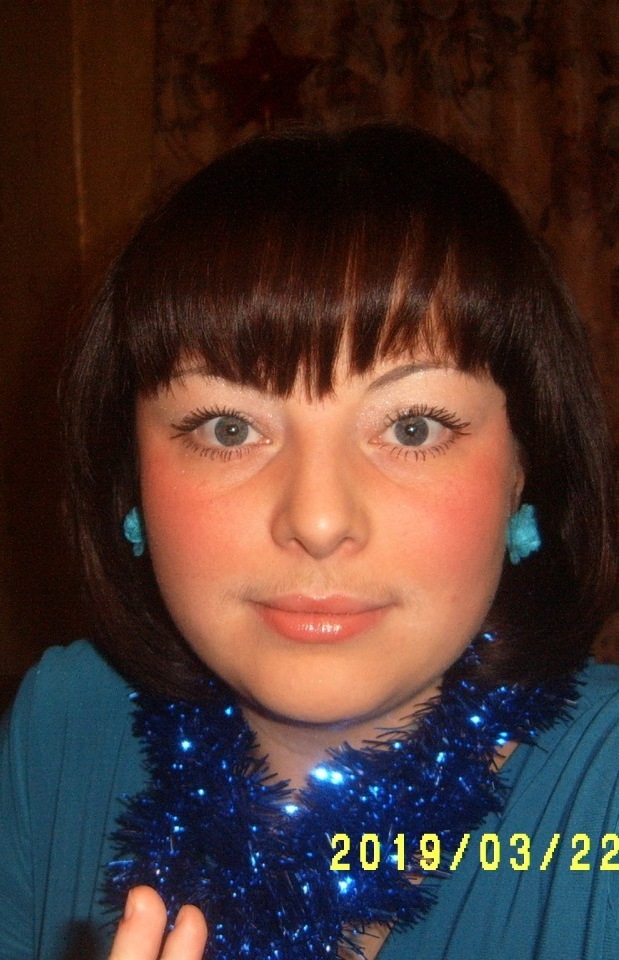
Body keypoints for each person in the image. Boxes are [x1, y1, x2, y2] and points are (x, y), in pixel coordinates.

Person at [1, 123, 618, 960]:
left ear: (523, 471)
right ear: (131, 477)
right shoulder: (61, 728)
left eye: (411, 427)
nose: (318, 520)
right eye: (227, 428)